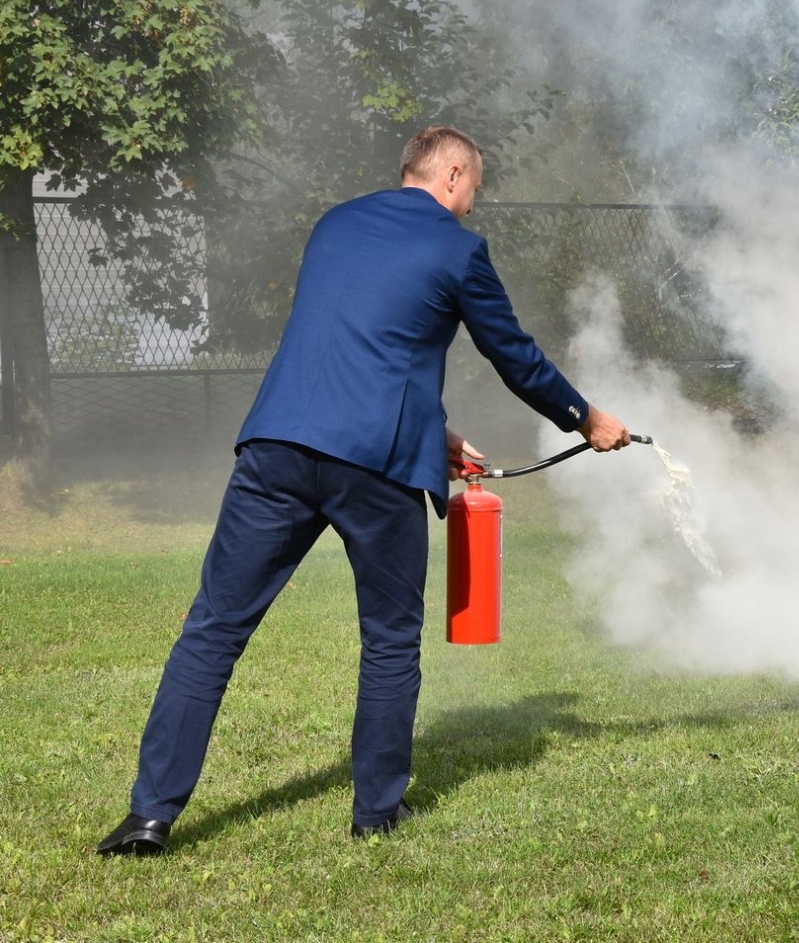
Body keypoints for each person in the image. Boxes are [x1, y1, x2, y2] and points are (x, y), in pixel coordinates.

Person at [96, 126, 630, 855]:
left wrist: (429, 428)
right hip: (375, 468)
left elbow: (357, 339)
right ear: (449, 173)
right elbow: (516, 359)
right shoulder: (458, 249)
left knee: (213, 627)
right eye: (475, 186)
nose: (473, 203)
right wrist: (587, 418)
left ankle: (149, 816)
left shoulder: (335, 223)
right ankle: (376, 810)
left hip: (278, 443)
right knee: (388, 637)